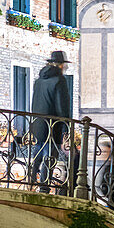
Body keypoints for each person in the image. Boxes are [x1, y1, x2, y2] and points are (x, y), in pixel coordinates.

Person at [30, 51, 72, 190]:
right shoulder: (59, 80)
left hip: (38, 123)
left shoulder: (39, 80)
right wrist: (66, 125)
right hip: (53, 125)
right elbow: (62, 106)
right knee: (50, 157)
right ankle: (44, 187)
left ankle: (30, 180)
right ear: (61, 65)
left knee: (39, 151)